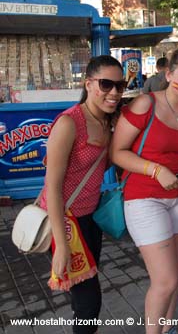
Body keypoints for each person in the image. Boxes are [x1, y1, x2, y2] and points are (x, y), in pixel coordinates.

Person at [110, 48, 178, 334]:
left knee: (174, 276)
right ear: (168, 75)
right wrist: (155, 169)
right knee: (164, 281)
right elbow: (117, 152)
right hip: (144, 197)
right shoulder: (145, 104)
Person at [41, 55, 125, 334]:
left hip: (89, 219)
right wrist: (61, 245)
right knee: (89, 302)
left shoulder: (109, 121)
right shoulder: (69, 123)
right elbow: (52, 186)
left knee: (83, 298)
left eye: (119, 86)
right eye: (106, 84)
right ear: (88, 84)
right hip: (65, 222)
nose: (113, 92)